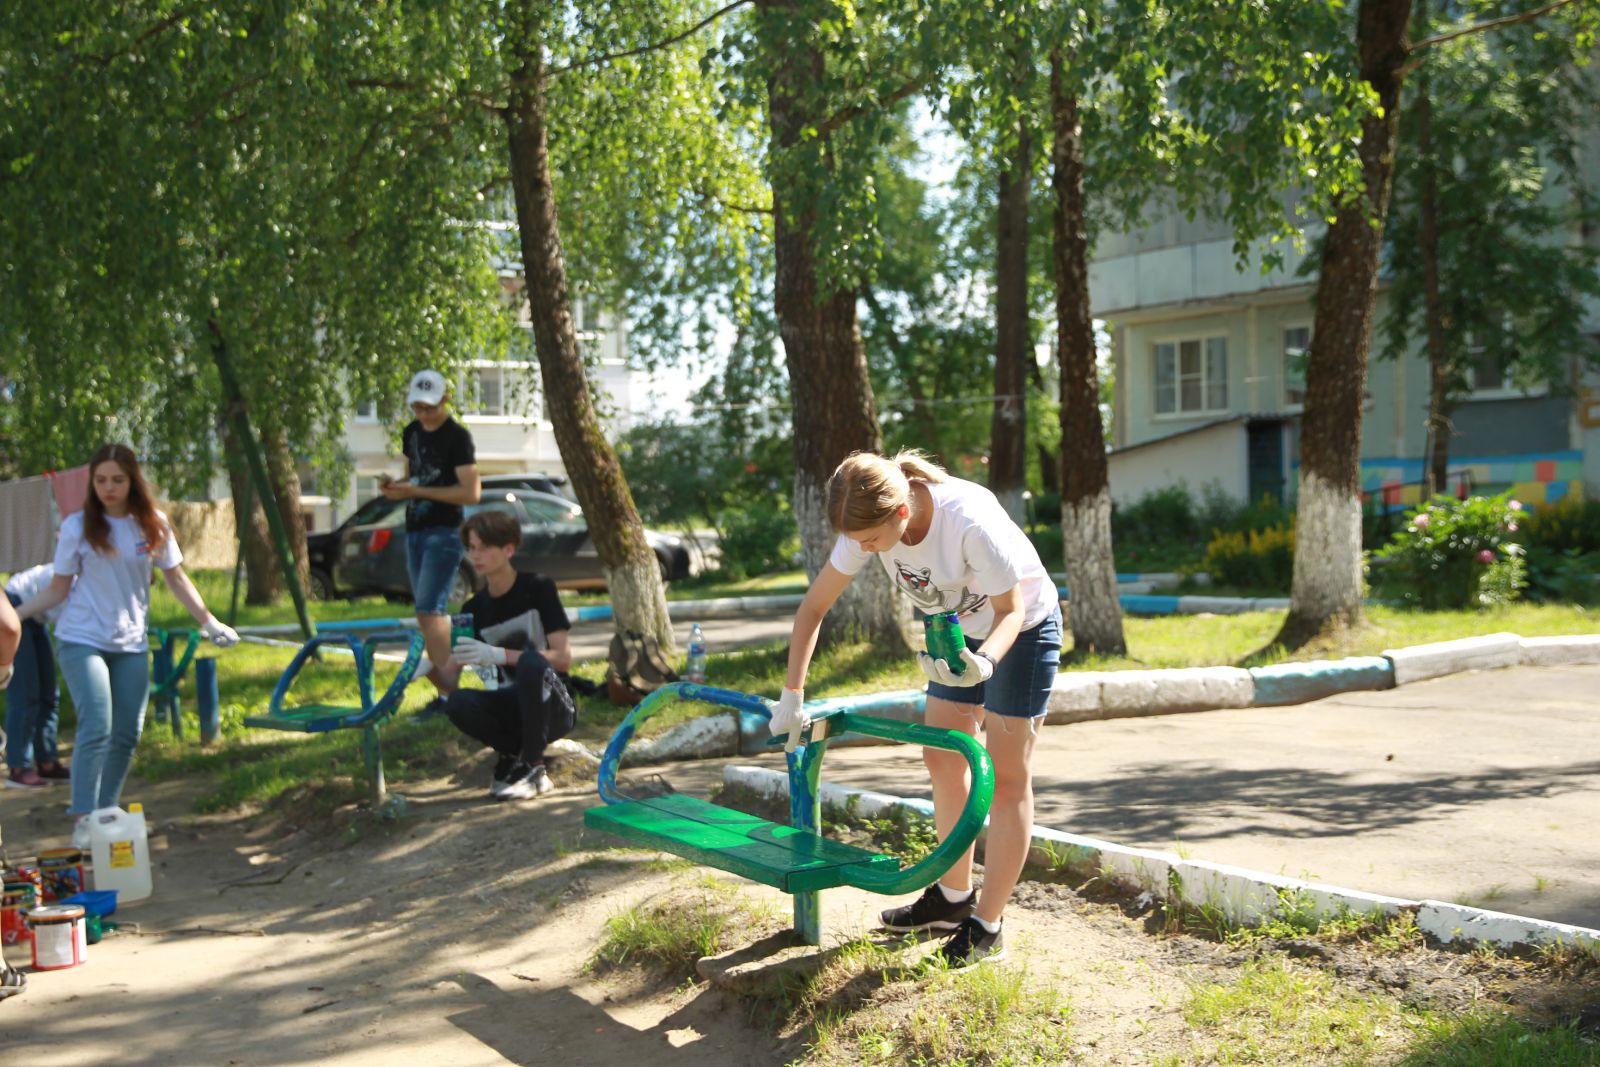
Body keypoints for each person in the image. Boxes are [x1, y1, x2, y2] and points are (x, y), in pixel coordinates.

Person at [770, 450, 1062, 969]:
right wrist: (792, 695)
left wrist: (986, 664)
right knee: (944, 759)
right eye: (856, 542)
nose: (862, 550)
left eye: (870, 542)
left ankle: (988, 927)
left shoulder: (969, 521)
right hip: (953, 632)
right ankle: (952, 902)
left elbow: (1011, 610)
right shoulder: (868, 523)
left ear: (901, 512)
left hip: (1020, 632)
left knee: (1009, 776)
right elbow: (814, 608)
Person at [15, 445, 239, 839]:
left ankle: (105, 811)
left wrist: (209, 621)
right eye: (100, 480)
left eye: (117, 479)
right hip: (82, 637)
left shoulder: (153, 523)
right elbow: (57, 589)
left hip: (131, 641)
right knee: (97, 721)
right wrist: (11, 618)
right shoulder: (78, 525)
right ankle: (84, 817)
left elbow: (176, 578)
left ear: (133, 480)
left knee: (127, 732)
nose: (108, 488)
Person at [443, 510, 575, 801]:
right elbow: (449, 680)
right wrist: (428, 665)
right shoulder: (473, 609)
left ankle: (533, 767)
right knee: (458, 702)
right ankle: (512, 755)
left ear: (509, 549)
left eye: (485, 547)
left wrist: (499, 654)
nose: (476, 555)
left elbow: (562, 659)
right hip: (511, 705)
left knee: (530, 661)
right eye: (471, 548)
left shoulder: (538, 588)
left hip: (553, 704)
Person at [382, 369, 479, 708]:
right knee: (428, 611)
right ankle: (449, 682)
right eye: (418, 407)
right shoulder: (410, 433)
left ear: (445, 400)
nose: (423, 414)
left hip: (445, 531)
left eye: (430, 407)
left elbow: (471, 492)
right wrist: (397, 489)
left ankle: (448, 691)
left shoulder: (458, 438)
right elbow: (413, 478)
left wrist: (417, 489)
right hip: (416, 528)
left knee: (428, 608)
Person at [4, 563, 72, 789]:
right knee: (26, 693)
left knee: (49, 692)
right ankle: (19, 765)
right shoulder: (86, 582)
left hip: (36, 616)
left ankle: (47, 760)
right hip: (17, 603)